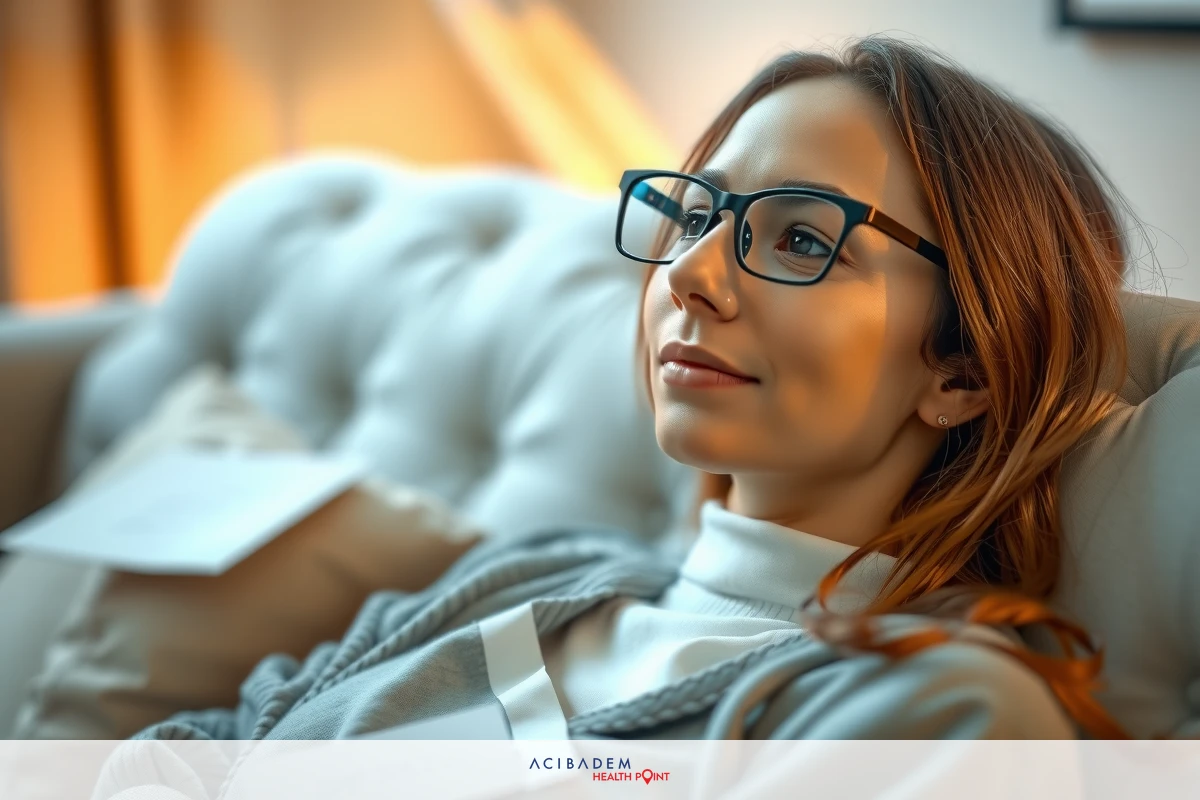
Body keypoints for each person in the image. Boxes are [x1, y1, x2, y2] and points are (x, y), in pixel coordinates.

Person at [130, 33, 1140, 744]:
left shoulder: (932, 709)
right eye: (698, 217)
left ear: (963, 371)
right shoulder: (528, 573)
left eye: (800, 238)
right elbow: (215, 742)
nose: (691, 274)